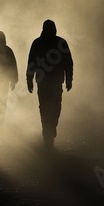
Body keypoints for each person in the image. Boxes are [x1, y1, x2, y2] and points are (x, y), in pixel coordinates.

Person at [26, 19, 73, 150]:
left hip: (48, 81)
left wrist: (29, 80)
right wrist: (29, 80)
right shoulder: (59, 42)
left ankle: (48, 128)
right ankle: (49, 129)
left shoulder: (40, 42)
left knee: (49, 106)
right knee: (52, 106)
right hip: (50, 81)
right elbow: (31, 62)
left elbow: (68, 62)